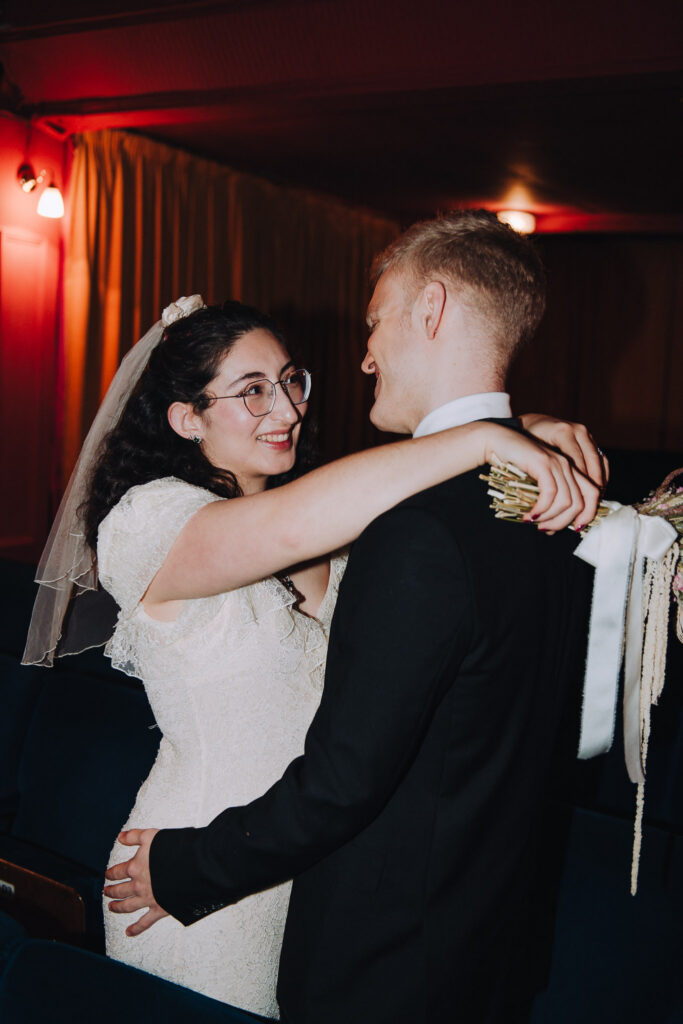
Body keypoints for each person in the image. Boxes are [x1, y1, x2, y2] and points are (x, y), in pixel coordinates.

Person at [104, 212, 602, 1023]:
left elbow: (356, 509)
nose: (287, 408)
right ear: (185, 419)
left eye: (292, 380)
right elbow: (297, 524)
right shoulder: (151, 522)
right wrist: (490, 435)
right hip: (187, 875)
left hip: (309, 880)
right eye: (251, 389)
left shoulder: (356, 517)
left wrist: (521, 429)